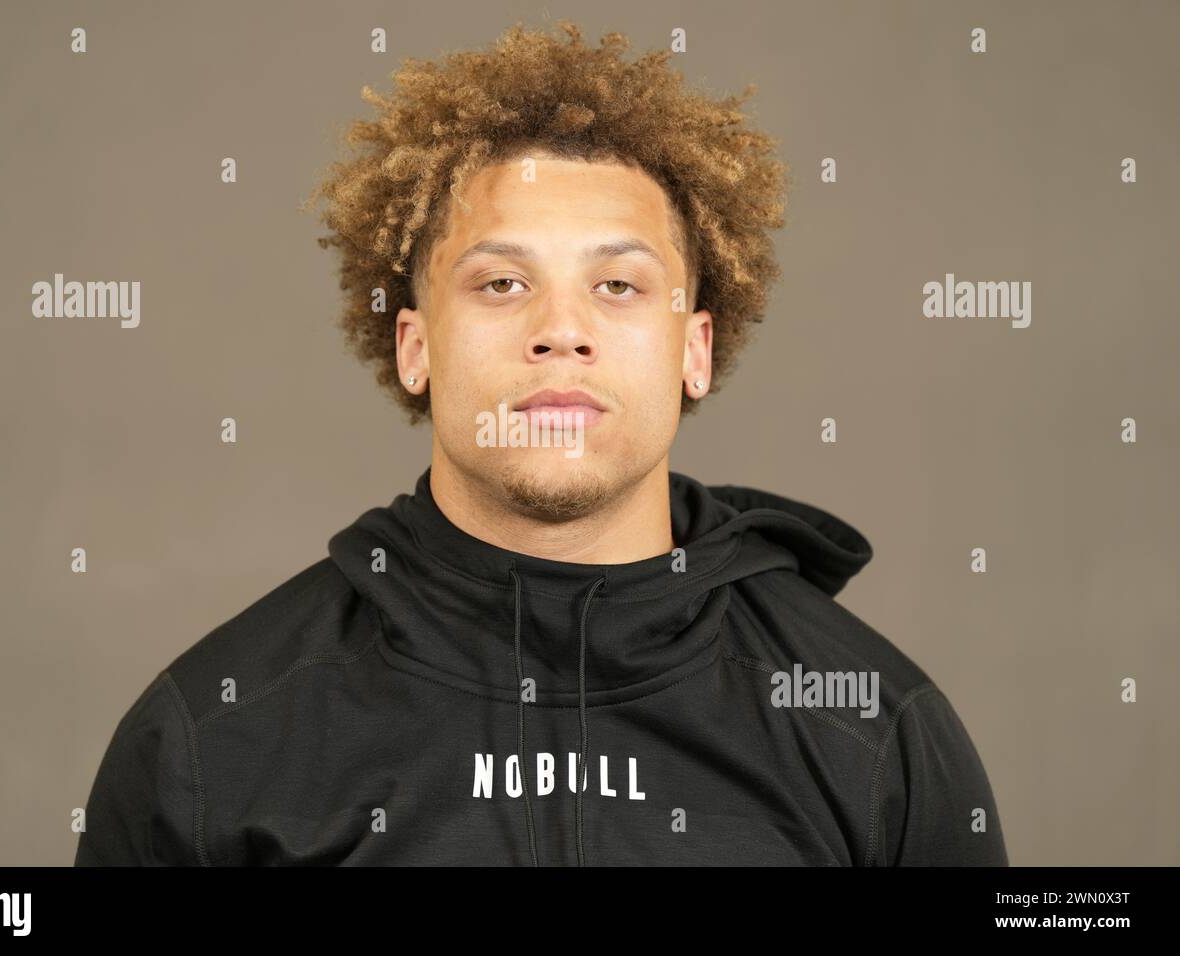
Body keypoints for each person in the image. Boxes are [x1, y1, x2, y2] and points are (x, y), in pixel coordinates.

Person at [75, 20, 1006, 866]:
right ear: (413, 346)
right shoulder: (214, 739)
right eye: (500, 284)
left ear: (695, 349)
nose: (561, 330)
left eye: (618, 287)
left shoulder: (873, 727)